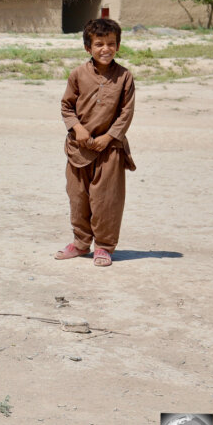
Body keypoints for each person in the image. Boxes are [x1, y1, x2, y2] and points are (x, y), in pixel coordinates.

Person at [55, 18, 136, 267]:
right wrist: (77, 128)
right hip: (79, 149)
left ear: (118, 46)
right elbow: (66, 106)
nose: (106, 49)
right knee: (78, 197)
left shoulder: (124, 77)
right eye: (99, 44)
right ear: (88, 48)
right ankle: (80, 243)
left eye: (111, 43)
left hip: (110, 149)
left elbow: (126, 112)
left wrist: (109, 137)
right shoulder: (78, 74)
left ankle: (103, 246)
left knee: (107, 200)